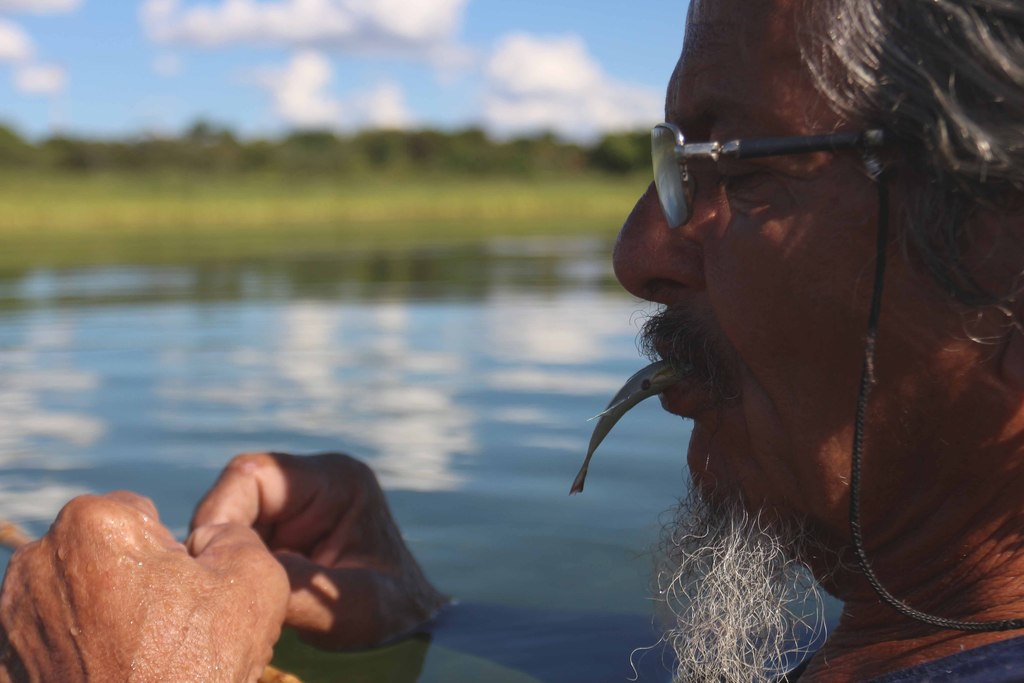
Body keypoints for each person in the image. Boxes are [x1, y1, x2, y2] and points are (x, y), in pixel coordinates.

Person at [3, 0, 1024, 680]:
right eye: (675, 163)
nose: (638, 252)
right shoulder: (887, 633)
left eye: (734, 164)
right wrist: (431, 613)